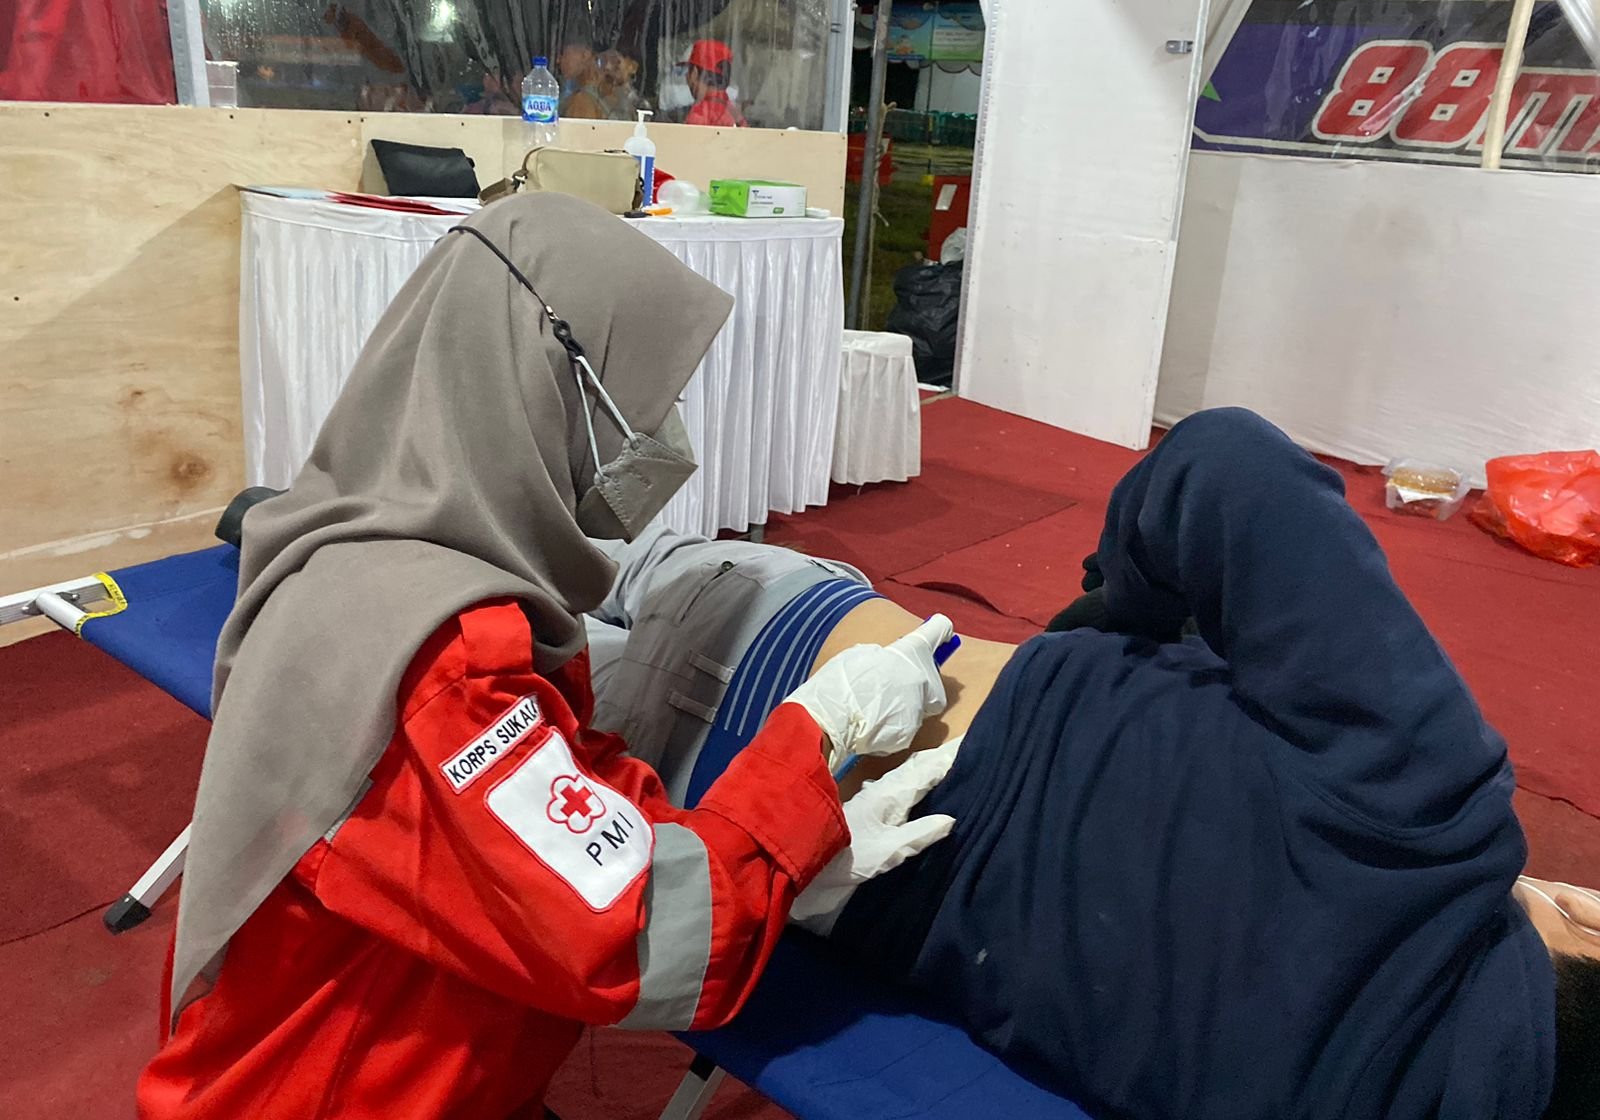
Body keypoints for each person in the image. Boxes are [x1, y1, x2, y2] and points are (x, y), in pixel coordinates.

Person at [136, 193, 955, 1119]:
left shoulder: (363, 544)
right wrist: (816, 735)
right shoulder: (440, 657)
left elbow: (564, 800)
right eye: (651, 402)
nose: (666, 433)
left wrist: (798, 854)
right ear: (556, 383)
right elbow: (636, 936)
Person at [584, 410, 1600, 1120]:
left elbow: (1228, 464)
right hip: (748, 867)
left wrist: (1125, 610)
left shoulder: (1437, 829)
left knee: (544, 560)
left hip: (795, 665)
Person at [681, 38, 747, 128]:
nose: (686, 77)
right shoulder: (736, 115)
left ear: (694, 73)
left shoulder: (699, 115)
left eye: (688, 71)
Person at [557, 39, 607, 120]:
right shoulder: (600, 92)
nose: (558, 61)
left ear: (585, 55)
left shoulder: (582, 100)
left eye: (563, 54)